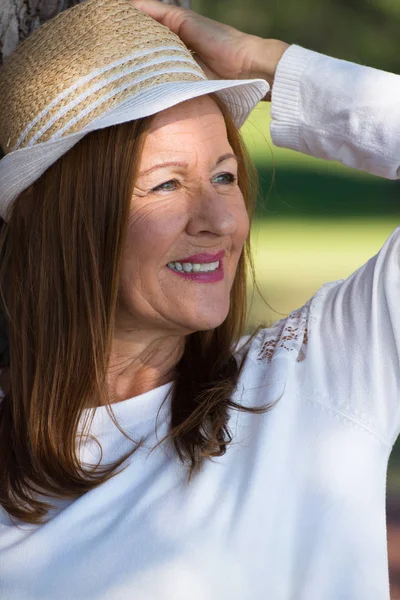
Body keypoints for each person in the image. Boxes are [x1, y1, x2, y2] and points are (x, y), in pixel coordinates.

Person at [0, 0, 399, 598]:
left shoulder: (315, 380)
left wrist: (270, 68)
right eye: (166, 184)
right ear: (62, 221)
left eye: (224, 175)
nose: (219, 220)